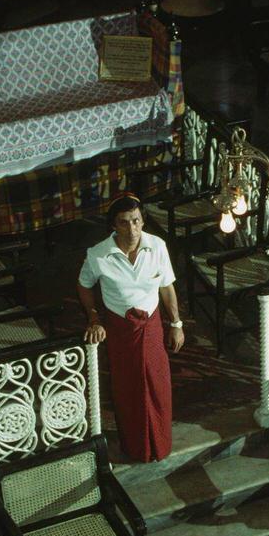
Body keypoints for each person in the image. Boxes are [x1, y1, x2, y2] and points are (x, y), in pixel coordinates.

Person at [77, 194, 184, 462]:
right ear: (114, 225)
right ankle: (135, 447)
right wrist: (94, 318)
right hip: (121, 330)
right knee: (128, 389)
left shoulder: (157, 246)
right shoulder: (98, 254)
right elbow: (84, 285)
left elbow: (167, 287)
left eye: (136, 221)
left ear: (142, 220)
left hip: (152, 326)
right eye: (124, 223)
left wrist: (176, 324)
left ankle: (160, 444)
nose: (132, 229)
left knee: (158, 385)